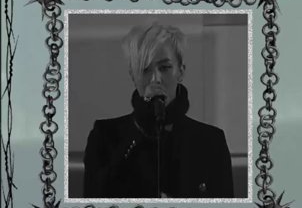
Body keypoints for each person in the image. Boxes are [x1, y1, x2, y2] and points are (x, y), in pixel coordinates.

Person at [83, 22, 234, 199]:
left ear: (181, 71)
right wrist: (141, 126)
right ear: (133, 76)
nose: (156, 79)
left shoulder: (211, 141)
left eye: (165, 68)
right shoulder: (104, 137)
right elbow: (93, 204)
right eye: (145, 70)